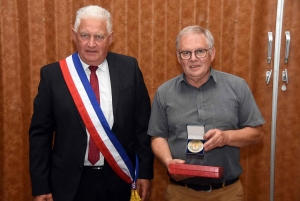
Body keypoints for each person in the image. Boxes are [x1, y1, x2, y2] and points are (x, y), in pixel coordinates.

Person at [29, 5, 153, 201]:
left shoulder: (129, 69)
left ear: (111, 38)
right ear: (74, 35)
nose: (91, 44)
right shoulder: (53, 75)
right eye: (85, 35)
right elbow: (40, 135)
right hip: (68, 182)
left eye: (99, 37)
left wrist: (145, 172)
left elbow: (143, 126)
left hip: (119, 178)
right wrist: (40, 186)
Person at [147, 25, 265, 200]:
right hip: (181, 193)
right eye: (186, 53)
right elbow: (157, 136)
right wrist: (168, 162)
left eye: (200, 51)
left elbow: (257, 134)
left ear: (212, 53)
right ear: (179, 58)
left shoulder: (237, 87)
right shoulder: (164, 93)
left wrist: (226, 138)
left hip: (227, 193)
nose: (193, 59)